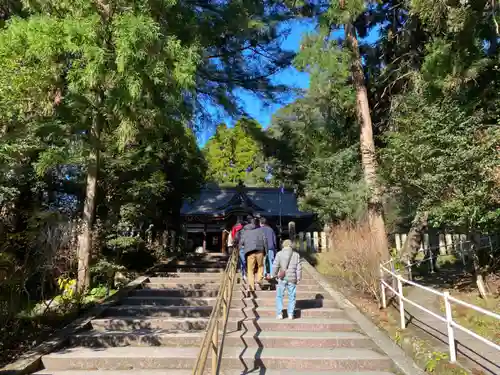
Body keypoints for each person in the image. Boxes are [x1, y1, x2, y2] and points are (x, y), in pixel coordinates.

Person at [271, 239, 301, 320]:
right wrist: (298, 278)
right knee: (292, 296)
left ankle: (279, 314)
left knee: (280, 296)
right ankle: (290, 314)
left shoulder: (279, 254)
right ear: (291, 245)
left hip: (282, 277)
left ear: (283, 245)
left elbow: (275, 265)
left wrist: (273, 275)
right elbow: (298, 268)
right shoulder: (296, 255)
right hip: (292, 278)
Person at [240, 216, 267, 293]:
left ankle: (251, 286)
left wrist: (239, 248)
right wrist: (266, 251)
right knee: (260, 266)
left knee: (250, 270)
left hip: (250, 252)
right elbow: (265, 240)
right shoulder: (260, 230)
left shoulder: (245, 231)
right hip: (260, 250)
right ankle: (259, 279)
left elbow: (241, 241)